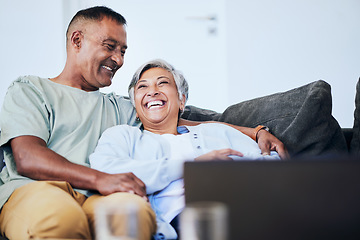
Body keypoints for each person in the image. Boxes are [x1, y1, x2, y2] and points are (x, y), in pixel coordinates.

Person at [0, 5, 286, 240]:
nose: (119, 59)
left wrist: (256, 132)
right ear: (77, 41)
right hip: (37, 189)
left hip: (99, 196)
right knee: (60, 222)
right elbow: (28, 157)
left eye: (123, 51)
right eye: (110, 46)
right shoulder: (31, 89)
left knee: (133, 214)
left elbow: (181, 121)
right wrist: (102, 178)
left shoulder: (121, 108)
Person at [89, 59, 281, 239]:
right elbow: (106, 171)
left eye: (162, 83)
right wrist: (191, 167)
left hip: (240, 212)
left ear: (182, 100)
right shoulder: (123, 136)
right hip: (179, 224)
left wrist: (229, 169)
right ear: (135, 109)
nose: (153, 91)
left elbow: (272, 164)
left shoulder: (217, 131)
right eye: (143, 86)